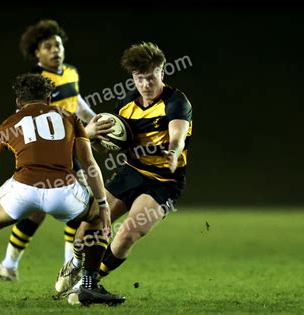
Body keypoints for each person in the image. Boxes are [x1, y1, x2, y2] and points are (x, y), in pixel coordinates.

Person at [0, 74, 124, 307]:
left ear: (19, 101)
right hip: (63, 190)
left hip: (23, 190)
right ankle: (88, 286)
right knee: (97, 218)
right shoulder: (70, 118)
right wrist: (102, 205)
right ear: (49, 99)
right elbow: (90, 165)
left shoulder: (9, 124)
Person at [55, 42, 193, 298]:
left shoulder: (176, 101)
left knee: (129, 231)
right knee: (90, 223)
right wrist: (94, 137)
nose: (145, 85)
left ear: (162, 72)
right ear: (133, 77)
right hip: (130, 172)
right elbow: (110, 147)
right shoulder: (126, 103)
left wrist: (173, 151)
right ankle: (75, 264)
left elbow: (178, 134)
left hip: (164, 181)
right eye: (139, 79)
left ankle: (89, 283)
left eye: (151, 77)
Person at [0, 20, 113, 281]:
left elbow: (78, 104)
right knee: (78, 207)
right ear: (36, 53)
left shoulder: (70, 72)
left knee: (38, 212)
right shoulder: (35, 82)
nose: (54, 50)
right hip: (50, 153)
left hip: (71, 148)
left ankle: (8, 265)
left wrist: (97, 121)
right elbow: (25, 117)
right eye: (47, 47)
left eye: (57, 45)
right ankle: (69, 271)